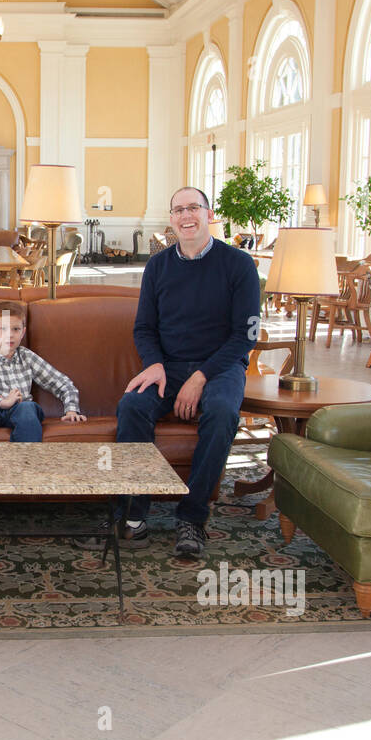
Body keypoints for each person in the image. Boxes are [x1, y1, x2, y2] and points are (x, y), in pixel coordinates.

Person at [81, 186, 258, 559]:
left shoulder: (239, 265)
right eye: (178, 210)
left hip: (221, 367)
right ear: (172, 219)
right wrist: (155, 365)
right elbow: (144, 328)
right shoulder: (158, 266)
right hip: (168, 367)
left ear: (210, 215)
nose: (186, 216)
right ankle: (133, 513)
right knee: (131, 406)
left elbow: (245, 336)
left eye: (194, 208)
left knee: (223, 411)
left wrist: (201, 377)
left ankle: (192, 517)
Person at [0, 301, 86, 443]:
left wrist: (71, 409)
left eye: (15, 329)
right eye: (2, 329)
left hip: (20, 409)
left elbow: (61, 383)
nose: (9, 335)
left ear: (23, 332)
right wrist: (1, 401)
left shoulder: (27, 357)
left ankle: (26, 462)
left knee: (27, 408)